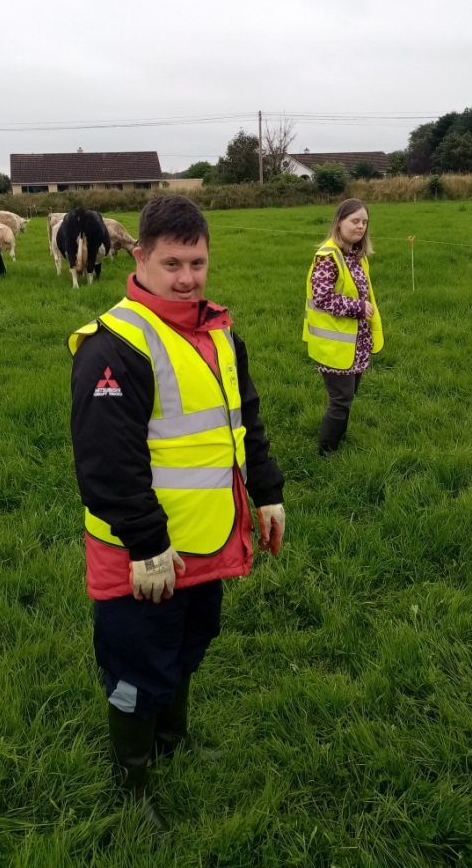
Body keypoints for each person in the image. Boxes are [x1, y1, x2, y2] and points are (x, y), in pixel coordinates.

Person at [69, 195, 285, 832]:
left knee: (189, 645)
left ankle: (171, 743)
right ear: (139, 256)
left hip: (207, 541)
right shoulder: (116, 345)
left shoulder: (220, 334)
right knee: (139, 664)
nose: (187, 277)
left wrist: (267, 492)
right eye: (172, 263)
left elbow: (246, 425)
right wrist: (145, 545)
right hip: (144, 555)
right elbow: (107, 465)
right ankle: (132, 786)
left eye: (197, 262)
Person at [303, 198, 384, 455]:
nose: (360, 227)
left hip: (355, 342)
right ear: (339, 222)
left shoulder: (355, 257)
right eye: (354, 221)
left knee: (347, 398)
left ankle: (339, 439)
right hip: (334, 344)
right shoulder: (328, 257)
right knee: (340, 400)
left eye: (364, 222)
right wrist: (358, 308)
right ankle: (326, 452)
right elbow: (323, 298)